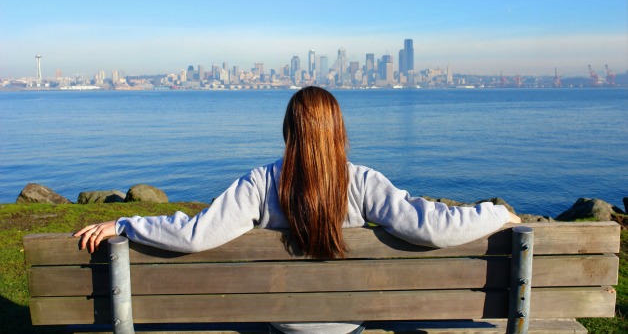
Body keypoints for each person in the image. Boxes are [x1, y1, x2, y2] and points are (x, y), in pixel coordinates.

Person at [75, 86, 521, 334]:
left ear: (288, 128)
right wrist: (497, 214)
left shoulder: (260, 182)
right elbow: (433, 227)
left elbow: (196, 234)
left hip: (283, 325)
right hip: (348, 325)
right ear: (338, 130)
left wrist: (125, 222)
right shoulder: (362, 181)